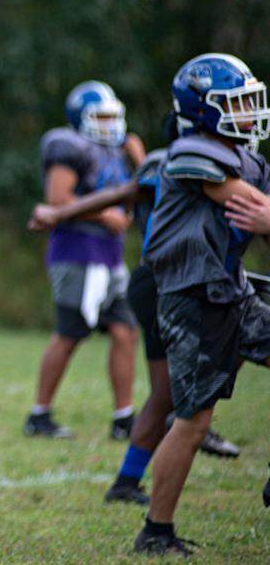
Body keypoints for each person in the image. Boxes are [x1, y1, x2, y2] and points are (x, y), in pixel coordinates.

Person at [27, 116, 239, 509]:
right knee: (77, 335)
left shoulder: (148, 157)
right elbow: (114, 193)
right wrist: (60, 214)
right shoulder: (197, 162)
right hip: (175, 280)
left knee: (150, 372)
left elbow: (127, 190)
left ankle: (127, 458)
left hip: (149, 274)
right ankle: (42, 413)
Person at [131, 53, 270, 555]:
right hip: (191, 299)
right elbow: (248, 207)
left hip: (233, 290)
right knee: (194, 420)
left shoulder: (250, 159)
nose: (250, 112)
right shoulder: (192, 153)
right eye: (237, 103)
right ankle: (156, 530)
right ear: (204, 110)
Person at [24, 81, 142, 440]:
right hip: (78, 254)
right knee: (71, 332)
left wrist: (139, 159)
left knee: (125, 331)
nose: (108, 124)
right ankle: (39, 414)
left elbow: (138, 195)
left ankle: (124, 418)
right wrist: (105, 216)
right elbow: (58, 199)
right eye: (100, 117)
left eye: (112, 116)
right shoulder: (70, 145)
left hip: (110, 256)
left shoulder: (118, 151)